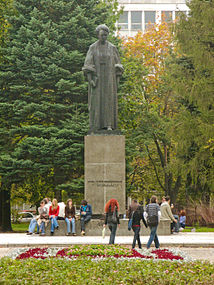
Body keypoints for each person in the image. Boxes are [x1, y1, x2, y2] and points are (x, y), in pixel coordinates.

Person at [82, 24, 124, 132]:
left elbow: (118, 64)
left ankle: (109, 125)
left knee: (109, 101)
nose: (104, 37)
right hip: (98, 79)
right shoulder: (93, 47)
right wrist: (91, 79)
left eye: (106, 35)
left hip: (110, 79)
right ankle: (96, 125)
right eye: (102, 35)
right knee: (97, 101)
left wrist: (118, 73)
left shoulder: (112, 48)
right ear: (98, 35)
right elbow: (87, 64)